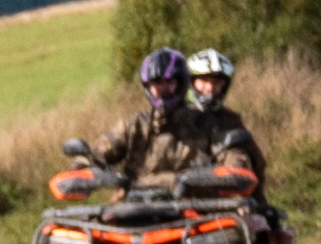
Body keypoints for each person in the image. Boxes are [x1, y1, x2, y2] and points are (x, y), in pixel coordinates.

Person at [84, 43, 256, 185]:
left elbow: (234, 157)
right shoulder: (133, 126)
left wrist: (234, 170)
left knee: (237, 225)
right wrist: (82, 169)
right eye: (157, 82)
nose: (163, 88)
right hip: (133, 215)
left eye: (169, 82)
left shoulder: (207, 125)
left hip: (194, 214)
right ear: (148, 86)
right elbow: (95, 156)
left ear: (182, 83)